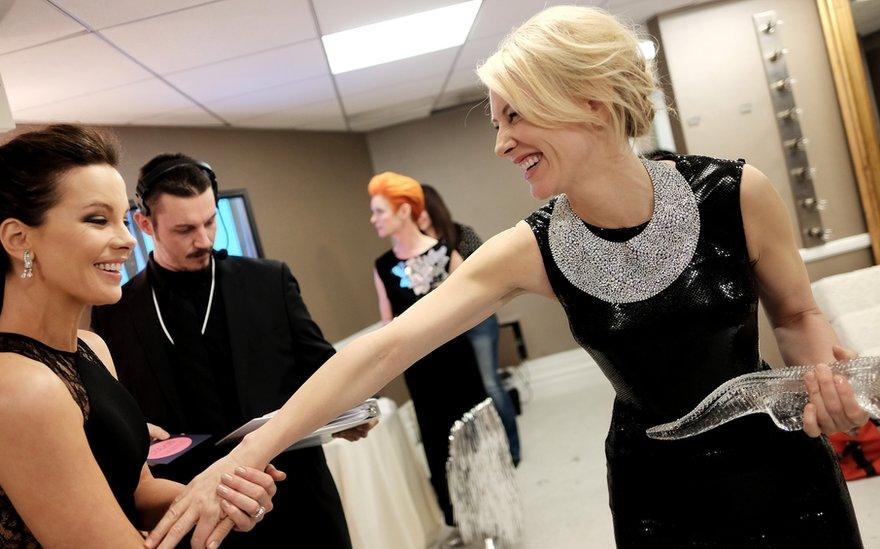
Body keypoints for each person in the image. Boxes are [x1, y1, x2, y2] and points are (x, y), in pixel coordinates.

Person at [150, 6, 870, 549]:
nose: (499, 143)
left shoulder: (737, 194)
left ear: (589, 101)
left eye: (514, 116)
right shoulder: (528, 249)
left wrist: (822, 385)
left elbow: (797, 313)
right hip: (658, 486)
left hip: (781, 470)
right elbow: (380, 352)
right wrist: (246, 453)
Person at [0, 125, 281, 548]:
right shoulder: (16, 386)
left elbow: (137, 492)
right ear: (19, 239)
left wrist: (216, 497)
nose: (126, 240)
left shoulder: (91, 348)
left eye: (123, 219)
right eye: (97, 220)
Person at [91, 153, 361, 549]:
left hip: (296, 497)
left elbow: (322, 368)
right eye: (185, 229)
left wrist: (349, 410)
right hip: (196, 512)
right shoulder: (114, 313)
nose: (204, 240)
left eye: (210, 221)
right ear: (146, 224)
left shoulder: (269, 282)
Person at [368, 172, 487, 535]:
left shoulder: (445, 253)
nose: (373, 219)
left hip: (457, 361)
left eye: (379, 211)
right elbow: (388, 323)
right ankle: (456, 519)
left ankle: (487, 511)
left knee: (472, 433)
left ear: (403, 211)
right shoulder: (382, 267)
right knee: (435, 441)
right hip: (419, 369)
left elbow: (474, 309)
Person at [418, 184, 521, 465]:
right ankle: (480, 453)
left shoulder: (461, 235)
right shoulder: (415, 250)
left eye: (421, 208)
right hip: (446, 331)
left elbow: (490, 272)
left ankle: (512, 449)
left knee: (490, 384)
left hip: (478, 322)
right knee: (464, 392)